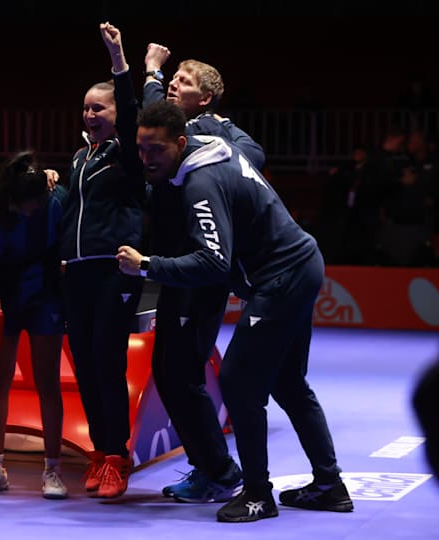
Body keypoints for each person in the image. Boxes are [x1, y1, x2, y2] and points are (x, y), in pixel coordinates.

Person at [117, 100, 354, 522]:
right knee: (289, 384)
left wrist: (147, 265)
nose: (146, 158)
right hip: (300, 264)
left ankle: (258, 494)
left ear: (181, 143)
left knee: (239, 382)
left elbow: (213, 262)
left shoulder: (200, 183)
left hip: (281, 277)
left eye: (156, 149)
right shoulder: (216, 147)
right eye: (141, 148)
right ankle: (329, 485)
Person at [139, 44, 261, 503]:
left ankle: (220, 471)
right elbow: (154, 111)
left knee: (181, 374)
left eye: (184, 82)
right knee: (170, 373)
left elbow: (254, 155)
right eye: (173, 80)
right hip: (176, 270)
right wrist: (153, 73)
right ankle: (212, 467)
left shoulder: (209, 131)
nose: (174, 85)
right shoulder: (170, 130)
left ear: (206, 99)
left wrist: (210, 138)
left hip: (201, 268)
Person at [57, 22, 144, 499]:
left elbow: (132, 114)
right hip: (78, 272)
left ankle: (117, 456)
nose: (90, 114)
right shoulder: (80, 157)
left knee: (108, 363)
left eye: (99, 107)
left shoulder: (128, 152)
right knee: (86, 366)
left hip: (115, 270)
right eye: (86, 108)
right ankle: (99, 450)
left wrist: (119, 62)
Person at [0, 150, 68, 499]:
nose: (32, 209)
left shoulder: (55, 201)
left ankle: (52, 470)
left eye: (37, 202)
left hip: (45, 297)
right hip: (4, 296)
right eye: (27, 204)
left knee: (47, 381)